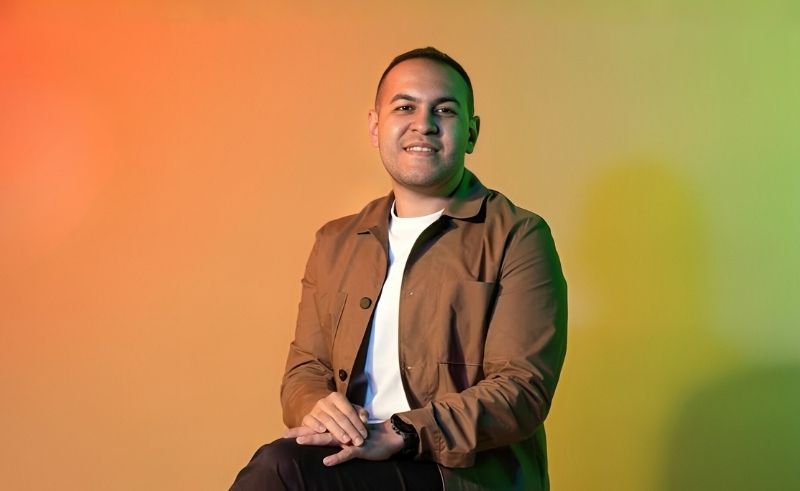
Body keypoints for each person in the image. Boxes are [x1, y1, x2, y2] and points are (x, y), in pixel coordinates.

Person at [230, 47, 567, 490]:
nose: (423, 123)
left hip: (457, 475)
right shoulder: (335, 242)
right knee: (282, 463)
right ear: (375, 127)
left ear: (471, 132)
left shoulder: (519, 236)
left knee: (280, 469)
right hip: (353, 457)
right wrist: (317, 406)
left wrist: (402, 432)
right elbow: (305, 369)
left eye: (444, 110)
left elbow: (521, 389)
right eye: (405, 107)